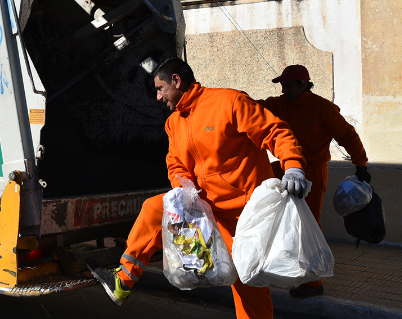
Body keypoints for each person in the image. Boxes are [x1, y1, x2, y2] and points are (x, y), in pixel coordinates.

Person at [89, 57, 309, 319]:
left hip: (246, 216)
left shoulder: (230, 102)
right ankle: (123, 280)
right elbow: (175, 163)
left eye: (160, 89)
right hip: (207, 211)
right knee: (153, 209)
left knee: (247, 283)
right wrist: (183, 190)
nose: (158, 97)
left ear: (176, 81)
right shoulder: (174, 123)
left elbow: (275, 131)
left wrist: (293, 165)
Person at [260, 64, 370, 298]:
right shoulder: (280, 105)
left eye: (288, 85)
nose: (284, 90)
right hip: (286, 168)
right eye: (282, 85)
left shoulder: (323, 109)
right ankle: (280, 265)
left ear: (302, 85)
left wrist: (361, 165)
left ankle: (313, 283)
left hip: (313, 172)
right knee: (263, 202)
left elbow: (348, 136)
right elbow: (252, 108)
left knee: (309, 223)